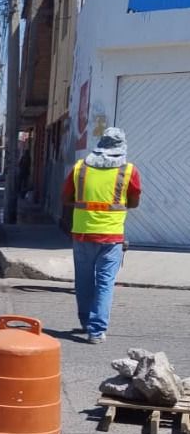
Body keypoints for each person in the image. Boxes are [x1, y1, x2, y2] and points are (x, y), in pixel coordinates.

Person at [61, 126, 141, 344]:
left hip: (83, 233)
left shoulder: (80, 168)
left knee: (84, 280)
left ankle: (86, 322)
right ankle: (96, 332)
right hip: (111, 236)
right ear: (122, 148)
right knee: (105, 283)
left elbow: (66, 198)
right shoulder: (129, 170)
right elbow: (133, 202)